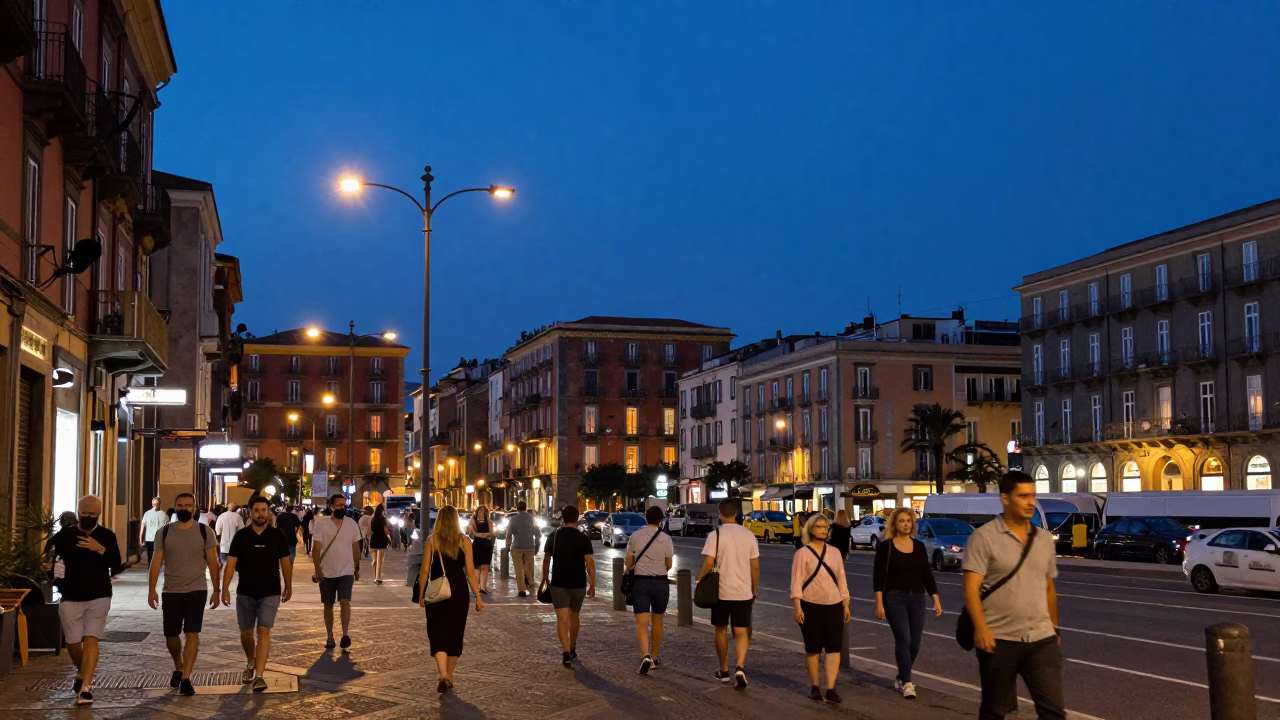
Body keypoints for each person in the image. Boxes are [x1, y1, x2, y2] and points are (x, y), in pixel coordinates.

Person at [963, 471, 1064, 720]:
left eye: (1033, 496)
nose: (1031, 502)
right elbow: (970, 589)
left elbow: (1049, 587)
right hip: (999, 639)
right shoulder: (983, 538)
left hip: (1041, 640)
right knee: (995, 711)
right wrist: (981, 629)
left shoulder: (1042, 539)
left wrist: (1054, 627)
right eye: (1023, 496)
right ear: (1005, 498)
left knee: (1053, 712)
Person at [51, 495, 122, 706]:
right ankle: (82, 672)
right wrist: (50, 571)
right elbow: (54, 559)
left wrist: (98, 548)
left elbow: (115, 562)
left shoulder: (107, 536)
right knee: (73, 644)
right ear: (78, 511)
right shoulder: (65, 535)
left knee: (92, 639)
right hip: (70, 595)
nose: (89, 516)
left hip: (99, 594)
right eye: (85, 513)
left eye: (93, 513)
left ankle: (86, 689)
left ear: (99, 513)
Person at [148, 492, 219, 696]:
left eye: (188, 505)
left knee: (192, 633)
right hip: (171, 590)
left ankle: (186, 678)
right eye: (180, 505)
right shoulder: (165, 532)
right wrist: (152, 589)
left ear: (194, 508)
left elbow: (213, 562)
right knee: (171, 636)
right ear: (174, 507)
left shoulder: (205, 532)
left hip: (197, 590)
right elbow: (156, 562)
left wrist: (217, 589)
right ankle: (178, 666)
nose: (184, 509)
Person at [221, 496, 292, 691]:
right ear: (250, 513)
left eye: (264, 510)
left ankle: (259, 675)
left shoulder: (278, 535)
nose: (260, 514)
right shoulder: (241, 536)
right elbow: (231, 563)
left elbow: (285, 562)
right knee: (246, 633)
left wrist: (289, 585)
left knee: (263, 631)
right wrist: (225, 588)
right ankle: (250, 660)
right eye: (256, 510)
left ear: (268, 512)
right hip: (245, 591)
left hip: (270, 592)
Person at [873, 508, 941, 700]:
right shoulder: (885, 547)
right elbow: (878, 578)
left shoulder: (919, 546)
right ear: (894, 524)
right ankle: (908, 683)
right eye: (901, 521)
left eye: (908, 521)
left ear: (912, 524)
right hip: (895, 598)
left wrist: (934, 596)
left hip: (917, 598)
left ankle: (901, 675)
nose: (905, 524)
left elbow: (926, 574)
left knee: (915, 643)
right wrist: (879, 604)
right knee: (903, 639)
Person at [418, 505, 484, 693]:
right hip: (458, 592)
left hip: (436, 593)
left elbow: (424, 570)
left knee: (437, 634)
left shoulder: (432, 540)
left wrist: (421, 593)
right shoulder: (465, 542)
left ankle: (442, 675)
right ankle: (449, 677)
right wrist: (478, 596)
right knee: (455, 635)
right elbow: (471, 573)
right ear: (456, 520)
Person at [697, 498, 759, 690]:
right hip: (743, 591)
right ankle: (739, 666)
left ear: (721, 514)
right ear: (737, 514)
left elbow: (709, 562)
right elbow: (755, 566)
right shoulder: (749, 535)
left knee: (721, 629)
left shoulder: (715, 534)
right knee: (741, 631)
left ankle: (723, 670)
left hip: (721, 591)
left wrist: (699, 579)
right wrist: (754, 588)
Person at [791, 513, 851, 703]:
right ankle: (815, 686)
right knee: (813, 648)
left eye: (826, 527)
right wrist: (797, 606)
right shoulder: (802, 553)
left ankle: (831, 688)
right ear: (810, 529)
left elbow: (842, 579)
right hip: (810, 605)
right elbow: (797, 582)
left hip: (834, 605)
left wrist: (845, 603)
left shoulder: (835, 553)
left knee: (834, 648)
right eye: (819, 527)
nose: (823, 530)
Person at [541, 505, 595, 667]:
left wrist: (544, 578)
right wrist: (593, 583)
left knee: (562, 618)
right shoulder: (583, 538)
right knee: (575, 615)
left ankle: (566, 652)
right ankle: (572, 647)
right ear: (577, 518)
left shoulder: (554, 535)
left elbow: (546, 559)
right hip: (579, 583)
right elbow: (590, 562)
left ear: (562, 519)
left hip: (559, 582)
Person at [625, 505, 674, 675]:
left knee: (642, 622)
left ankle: (645, 655)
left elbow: (629, 563)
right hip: (660, 582)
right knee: (658, 620)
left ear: (645, 518)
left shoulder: (635, 536)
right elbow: (669, 564)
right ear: (660, 519)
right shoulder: (666, 538)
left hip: (641, 582)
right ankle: (654, 656)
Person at [311, 493, 363, 649]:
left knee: (345, 601)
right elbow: (316, 549)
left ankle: (345, 634)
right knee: (328, 605)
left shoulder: (352, 524)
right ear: (331, 506)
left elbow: (356, 548)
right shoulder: (321, 524)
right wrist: (317, 569)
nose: (343, 507)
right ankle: (330, 636)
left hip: (346, 570)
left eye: (344, 504)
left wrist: (357, 567)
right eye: (339, 504)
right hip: (326, 572)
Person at [506, 501, 540, 597]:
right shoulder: (531, 518)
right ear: (526, 507)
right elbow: (537, 532)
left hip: (516, 546)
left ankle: (521, 589)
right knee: (529, 566)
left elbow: (508, 534)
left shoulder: (512, 519)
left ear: (517, 508)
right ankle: (530, 580)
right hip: (529, 545)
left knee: (518, 569)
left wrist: (508, 546)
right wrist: (536, 543)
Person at [467, 505, 495, 594]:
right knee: (477, 567)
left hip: (487, 546)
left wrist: (481, 535)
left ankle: (483, 587)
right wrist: (483, 535)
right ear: (477, 512)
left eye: (483, 511)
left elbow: (491, 533)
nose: (482, 513)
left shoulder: (489, 522)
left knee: (485, 566)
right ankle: (477, 586)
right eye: (480, 511)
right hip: (477, 545)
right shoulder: (472, 521)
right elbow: (472, 533)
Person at [139, 497, 167, 564]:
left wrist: (140, 539)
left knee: (150, 557)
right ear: (160, 504)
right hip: (160, 539)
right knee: (158, 556)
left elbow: (142, 527)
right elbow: (167, 529)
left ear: (152, 504)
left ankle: (150, 570)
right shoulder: (164, 515)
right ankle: (157, 569)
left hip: (149, 538)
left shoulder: (147, 514)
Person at [370, 504, 391, 585]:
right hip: (382, 539)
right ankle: (378, 578)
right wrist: (388, 535)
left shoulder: (373, 519)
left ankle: (375, 577)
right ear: (382, 511)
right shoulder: (384, 519)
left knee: (375, 560)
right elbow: (386, 530)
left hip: (374, 538)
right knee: (380, 561)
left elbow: (372, 529)